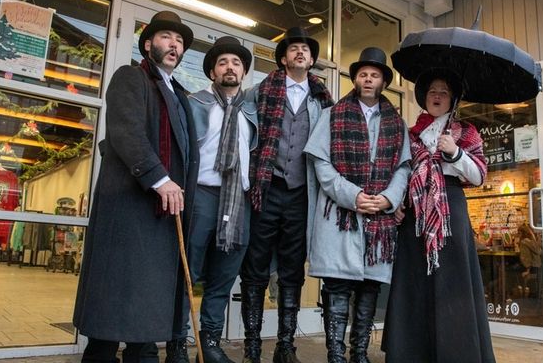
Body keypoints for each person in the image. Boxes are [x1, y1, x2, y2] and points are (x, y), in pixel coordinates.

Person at [73, 10, 199, 363]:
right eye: (165, 38)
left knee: (147, 308)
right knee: (114, 307)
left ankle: (142, 355)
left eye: (179, 41)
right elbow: (126, 132)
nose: (174, 45)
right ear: (147, 45)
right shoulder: (131, 77)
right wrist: (161, 180)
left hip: (163, 212)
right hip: (130, 207)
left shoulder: (178, 92)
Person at [304, 47, 410, 363]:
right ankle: (336, 354)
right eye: (363, 74)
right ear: (356, 79)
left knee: (369, 288)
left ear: (382, 81)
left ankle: (359, 353)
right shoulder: (332, 115)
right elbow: (321, 165)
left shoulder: (396, 122)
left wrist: (388, 198)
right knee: (337, 287)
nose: (368, 79)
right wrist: (353, 196)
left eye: (374, 74)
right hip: (340, 217)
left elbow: (403, 167)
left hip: (379, 221)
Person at [382, 69, 495, 363]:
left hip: (450, 213)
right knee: (415, 284)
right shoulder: (412, 133)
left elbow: (480, 175)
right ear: (424, 97)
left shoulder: (465, 132)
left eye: (444, 91)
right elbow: (401, 172)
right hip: (415, 217)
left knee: (452, 284)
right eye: (432, 90)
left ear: (452, 99)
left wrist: (456, 153)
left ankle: (456, 352)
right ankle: (412, 352)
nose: (437, 95)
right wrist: (397, 202)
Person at [240, 26, 333, 363]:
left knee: (293, 269)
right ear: (282, 58)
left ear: (311, 60)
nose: (300, 52)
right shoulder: (259, 92)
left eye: (306, 49)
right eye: (293, 48)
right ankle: (252, 344)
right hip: (266, 189)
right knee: (256, 266)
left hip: (301, 193)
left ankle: (285, 346)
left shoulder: (323, 101)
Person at [165, 36, 258, 363]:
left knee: (223, 276)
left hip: (238, 200)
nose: (230, 67)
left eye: (236, 63)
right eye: (223, 62)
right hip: (201, 195)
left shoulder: (251, 109)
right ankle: (177, 342)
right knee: (186, 272)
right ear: (212, 72)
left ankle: (211, 343)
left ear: (243, 71)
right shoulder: (194, 102)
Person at [517, 222, 543, 299]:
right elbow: (539, 251)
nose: (518, 235)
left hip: (530, 267)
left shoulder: (523, 242)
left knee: (510, 271)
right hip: (537, 266)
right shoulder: (531, 241)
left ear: (522, 233)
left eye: (519, 233)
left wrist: (527, 269)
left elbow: (525, 258)